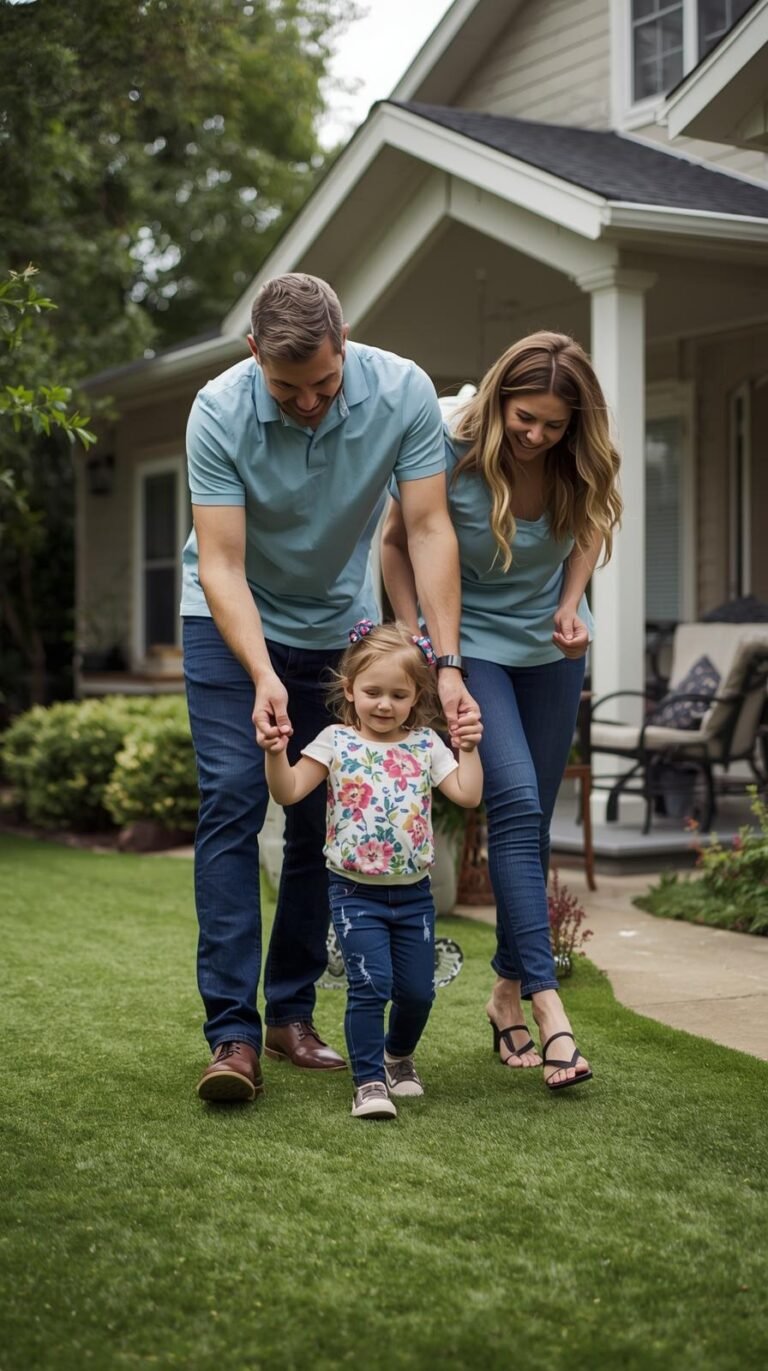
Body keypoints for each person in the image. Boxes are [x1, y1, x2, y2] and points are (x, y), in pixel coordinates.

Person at [182, 272, 479, 1103]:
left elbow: (428, 527)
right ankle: (232, 1034)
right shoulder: (218, 409)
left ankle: (290, 1012)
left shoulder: (403, 390)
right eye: (288, 389)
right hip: (227, 619)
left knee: (324, 817)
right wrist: (261, 672)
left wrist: (447, 661)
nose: (309, 402)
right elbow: (221, 563)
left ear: (344, 343)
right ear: (254, 354)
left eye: (323, 382)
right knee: (234, 798)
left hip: (335, 626)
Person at [381, 332, 622, 1091]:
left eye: (553, 424)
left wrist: (571, 602)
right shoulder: (447, 439)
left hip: (551, 651)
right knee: (513, 803)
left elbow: (591, 522)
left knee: (534, 818)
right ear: (498, 400)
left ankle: (505, 994)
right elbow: (397, 542)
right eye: (525, 418)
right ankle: (550, 1008)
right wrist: (419, 637)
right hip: (469, 643)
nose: (536, 435)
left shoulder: (578, 455)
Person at [261, 620, 483, 1119]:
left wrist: (467, 748)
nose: (384, 704)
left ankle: (397, 1056)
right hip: (353, 894)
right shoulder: (335, 741)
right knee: (371, 985)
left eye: (398, 695)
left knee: (417, 992)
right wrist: (276, 754)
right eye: (373, 692)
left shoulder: (426, 745)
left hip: (414, 895)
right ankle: (368, 1082)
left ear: (417, 696)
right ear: (350, 689)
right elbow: (288, 791)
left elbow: (468, 794)